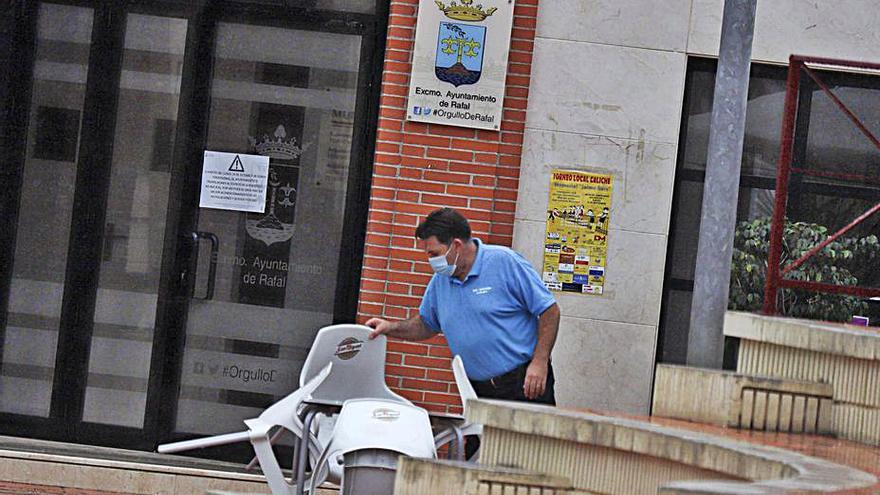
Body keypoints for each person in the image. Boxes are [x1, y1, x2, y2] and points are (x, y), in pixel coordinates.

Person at [365, 207, 561, 405]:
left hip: (524, 383)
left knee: (532, 438)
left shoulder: (505, 262)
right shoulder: (441, 280)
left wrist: (540, 361)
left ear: (456, 245)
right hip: (479, 390)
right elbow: (426, 324)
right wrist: (390, 328)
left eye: (435, 253)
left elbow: (549, 311)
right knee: (483, 437)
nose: (431, 260)